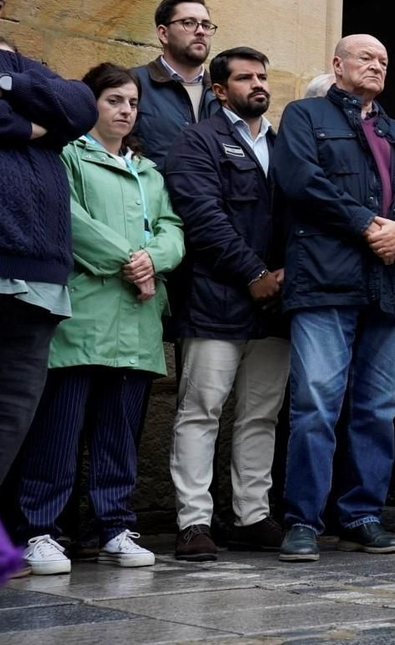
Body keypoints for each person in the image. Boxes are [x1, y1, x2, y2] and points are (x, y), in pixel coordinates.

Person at [14, 63, 185, 575]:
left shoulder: (148, 171)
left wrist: (155, 259)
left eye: (132, 102)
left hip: (136, 318)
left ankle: (114, 526)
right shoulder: (67, 154)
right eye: (114, 100)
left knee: (119, 432)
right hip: (84, 317)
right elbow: (67, 217)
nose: (125, 110)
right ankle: (39, 529)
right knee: (59, 430)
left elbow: (174, 228)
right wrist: (132, 261)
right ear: (90, 104)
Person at [274, 34, 395, 561]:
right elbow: (301, 181)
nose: (377, 65)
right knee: (316, 402)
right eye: (366, 57)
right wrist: (368, 225)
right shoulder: (304, 114)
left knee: (379, 407)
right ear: (337, 65)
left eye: (385, 60)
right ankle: (302, 520)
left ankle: (362, 515)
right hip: (324, 279)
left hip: (391, 283)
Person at [0, 0, 98, 498]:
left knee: (2, 421)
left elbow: (78, 106)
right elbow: (55, 121)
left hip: (36, 277)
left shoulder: (12, 65)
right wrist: (30, 126)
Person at [162, 47, 289, 560]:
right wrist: (253, 272)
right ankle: (193, 522)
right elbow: (202, 217)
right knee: (201, 411)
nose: (257, 84)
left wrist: (284, 277)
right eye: (244, 78)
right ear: (219, 91)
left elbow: (301, 220)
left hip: (276, 304)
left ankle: (251, 516)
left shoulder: (283, 145)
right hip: (216, 297)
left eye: (262, 75)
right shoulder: (197, 141)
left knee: (261, 414)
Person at [131, 0, 221, 165]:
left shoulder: (222, 94)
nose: (201, 31)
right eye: (189, 23)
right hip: (153, 190)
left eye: (206, 25)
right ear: (163, 34)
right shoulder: (133, 84)